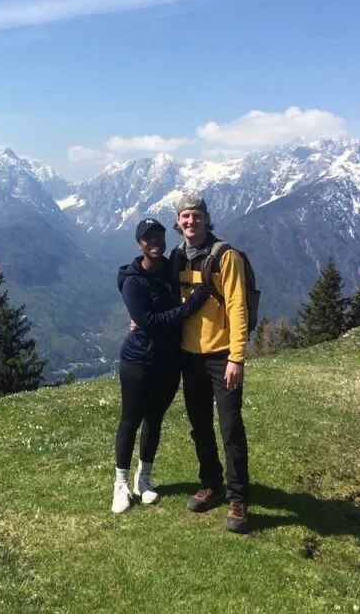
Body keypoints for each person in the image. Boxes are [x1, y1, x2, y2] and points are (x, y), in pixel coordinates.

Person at [112, 217, 209, 514]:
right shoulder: (132, 280)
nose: (155, 243)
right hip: (139, 361)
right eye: (148, 239)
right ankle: (120, 485)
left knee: (155, 419)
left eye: (159, 237)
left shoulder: (170, 268)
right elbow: (150, 323)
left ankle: (145, 481)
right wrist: (191, 306)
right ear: (139, 244)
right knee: (131, 420)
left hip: (169, 361)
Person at [169, 195, 251, 534]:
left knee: (230, 426)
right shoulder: (175, 257)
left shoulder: (225, 256)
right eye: (185, 216)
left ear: (207, 219)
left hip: (221, 357)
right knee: (199, 424)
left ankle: (238, 499)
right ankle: (211, 483)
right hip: (189, 356)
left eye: (197, 216)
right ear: (178, 221)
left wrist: (237, 357)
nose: (191, 222)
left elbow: (237, 305)